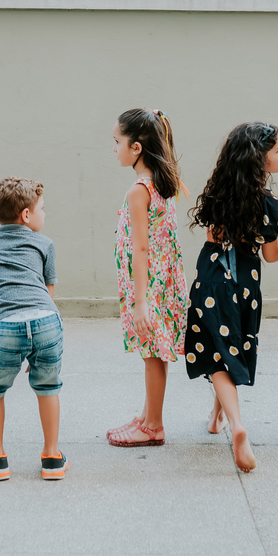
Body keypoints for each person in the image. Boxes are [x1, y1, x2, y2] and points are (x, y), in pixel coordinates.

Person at [186, 123, 278, 472]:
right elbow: (270, 255)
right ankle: (235, 424)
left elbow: (214, 239)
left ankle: (221, 419)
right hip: (244, 288)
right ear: (259, 159)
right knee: (229, 352)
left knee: (218, 352)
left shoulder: (219, 193)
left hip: (211, 282)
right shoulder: (269, 204)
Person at [0, 178, 67, 482]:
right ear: (26, 215)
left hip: (6, 326)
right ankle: (52, 457)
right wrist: (35, 344)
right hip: (47, 323)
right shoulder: (44, 244)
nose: (44, 214)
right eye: (42, 208)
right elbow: (47, 295)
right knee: (48, 386)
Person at [108, 109, 189, 448]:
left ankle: (153, 425)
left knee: (152, 353)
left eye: (117, 142)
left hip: (148, 286)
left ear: (136, 148)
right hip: (162, 280)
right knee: (156, 350)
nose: (114, 148)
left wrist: (140, 302)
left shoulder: (139, 190)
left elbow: (141, 248)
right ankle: (147, 416)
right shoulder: (162, 181)